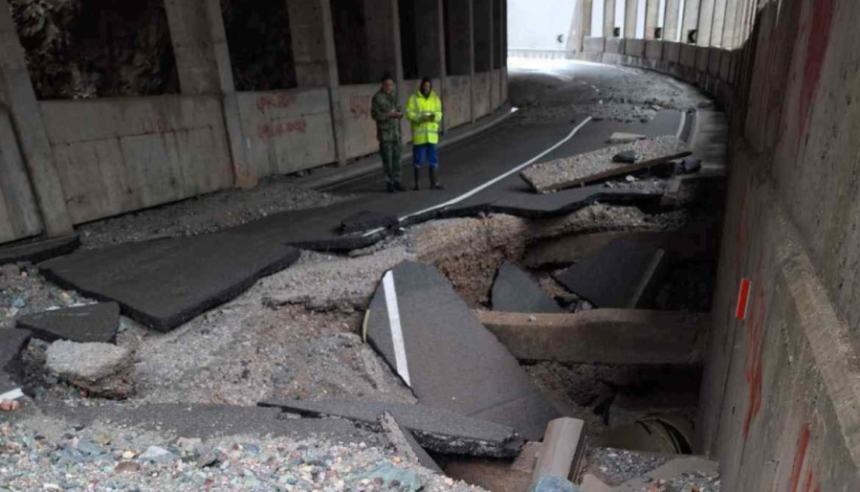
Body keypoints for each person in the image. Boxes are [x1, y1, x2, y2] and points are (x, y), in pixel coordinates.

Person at [406, 77, 444, 190]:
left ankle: (434, 183)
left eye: (428, 86)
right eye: (425, 86)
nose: (426, 88)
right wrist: (420, 118)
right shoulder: (414, 98)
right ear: (421, 86)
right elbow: (409, 114)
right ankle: (417, 184)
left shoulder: (435, 99)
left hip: (432, 136)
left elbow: (439, 114)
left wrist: (433, 117)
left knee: (433, 160)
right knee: (418, 161)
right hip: (420, 136)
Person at [371, 73, 406, 193]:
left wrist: (399, 114)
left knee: (397, 160)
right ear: (382, 85)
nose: (389, 87)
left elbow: (400, 110)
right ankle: (389, 183)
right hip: (385, 135)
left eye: (391, 84)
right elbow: (375, 115)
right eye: (387, 84)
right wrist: (388, 115)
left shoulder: (394, 96)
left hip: (396, 133)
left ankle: (397, 181)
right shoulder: (377, 98)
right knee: (388, 161)